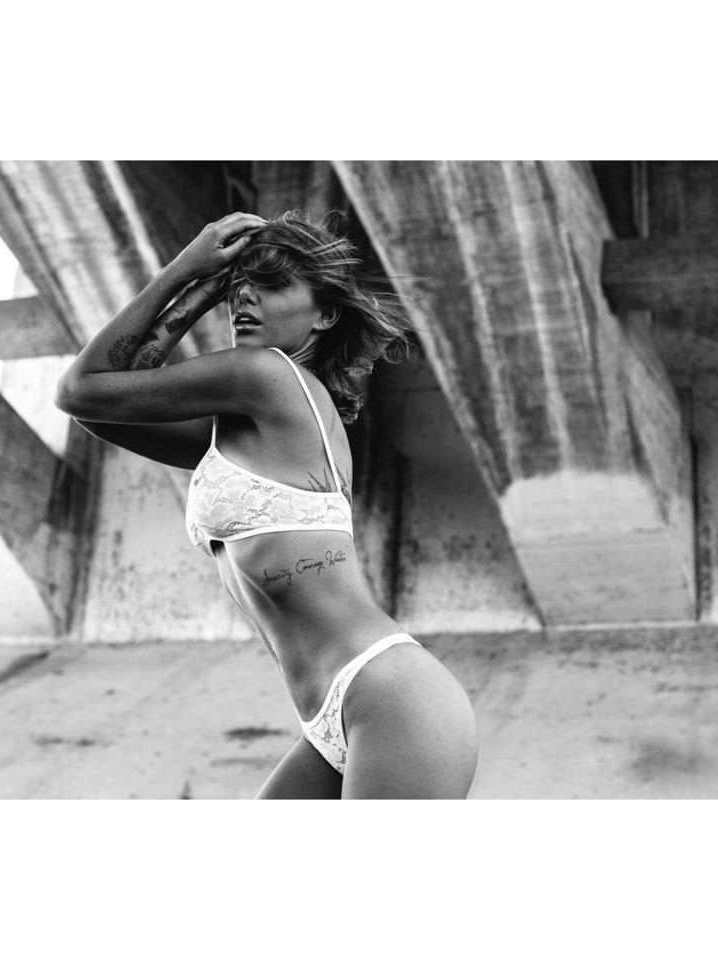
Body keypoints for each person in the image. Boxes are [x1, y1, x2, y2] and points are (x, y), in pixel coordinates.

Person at [55, 210, 479, 798]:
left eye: (273, 284)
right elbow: (97, 410)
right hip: (329, 718)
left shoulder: (263, 373)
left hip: (391, 697)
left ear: (325, 314)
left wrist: (184, 271)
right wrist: (201, 294)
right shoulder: (251, 426)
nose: (244, 298)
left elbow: (79, 388)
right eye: (237, 287)